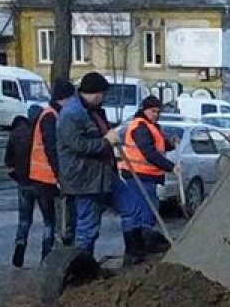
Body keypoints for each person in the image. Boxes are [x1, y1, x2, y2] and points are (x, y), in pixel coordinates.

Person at [56, 72, 119, 255]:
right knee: (87, 228)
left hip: (100, 176)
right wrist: (106, 142)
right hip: (83, 180)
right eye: (103, 94)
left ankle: (134, 254)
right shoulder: (71, 114)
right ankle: (80, 267)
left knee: (132, 207)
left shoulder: (93, 111)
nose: (104, 98)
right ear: (96, 93)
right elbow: (78, 145)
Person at [114, 96, 178, 266]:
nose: (156, 114)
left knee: (146, 213)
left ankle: (137, 252)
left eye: (158, 112)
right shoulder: (140, 127)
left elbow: (159, 145)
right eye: (153, 111)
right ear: (144, 109)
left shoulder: (150, 126)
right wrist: (170, 167)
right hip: (138, 176)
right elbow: (149, 152)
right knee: (144, 214)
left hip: (146, 176)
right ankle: (138, 252)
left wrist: (171, 143)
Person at [25, 77, 76, 261]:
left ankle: (49, 258)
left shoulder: (51, 114)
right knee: (52, 224)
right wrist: (60, 176)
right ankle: (47, 259)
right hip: (46, 178)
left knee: (53, 223)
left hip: (44, 176)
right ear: (66, 98)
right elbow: (52, 148)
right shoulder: (50, 116)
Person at [5, 115, 34, 267]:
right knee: (50, 221)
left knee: (24, 220)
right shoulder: (36, 132)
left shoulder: (13, 135)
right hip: (40, 182)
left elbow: (8, 165)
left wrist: (19, 179)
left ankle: (20, 243)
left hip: (23, 183)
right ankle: (46, 255)